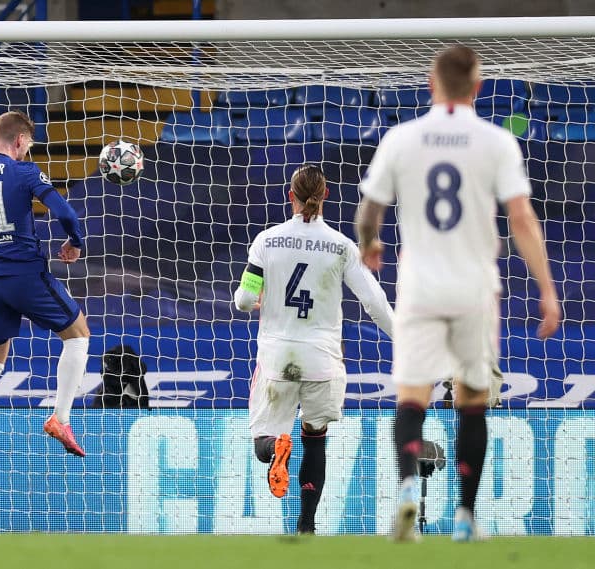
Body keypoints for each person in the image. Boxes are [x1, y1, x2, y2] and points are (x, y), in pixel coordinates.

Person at [357, 44, 561, 542]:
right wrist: (547, 290)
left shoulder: (402, 138)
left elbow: (368, 211)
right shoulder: (495, 142)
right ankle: (466, 518)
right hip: (473, 286)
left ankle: (407, 490)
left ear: (431, 85)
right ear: (478, 87)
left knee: (412, 399)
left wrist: (370, 244)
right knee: (472, 401)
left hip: (420, 285)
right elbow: (520, 219)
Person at [234, 164, 394, 535]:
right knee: (315, 439)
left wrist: (254, 299)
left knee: (263, 441)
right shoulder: (341, 246)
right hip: (323, 360)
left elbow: (243, 300)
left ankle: (276, 449)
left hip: (278, 358)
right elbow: (374, 301)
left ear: (290, 196)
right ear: (325, 197)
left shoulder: (266, 240)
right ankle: (307, 525)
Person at [0, 110, 90, 477]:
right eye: (29, 145)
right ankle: (61, 418)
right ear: (20, 140)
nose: (27, 151)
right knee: (78, 336)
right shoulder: (24, 172)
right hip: (24, 274)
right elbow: (65, 212)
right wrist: (75, 242)